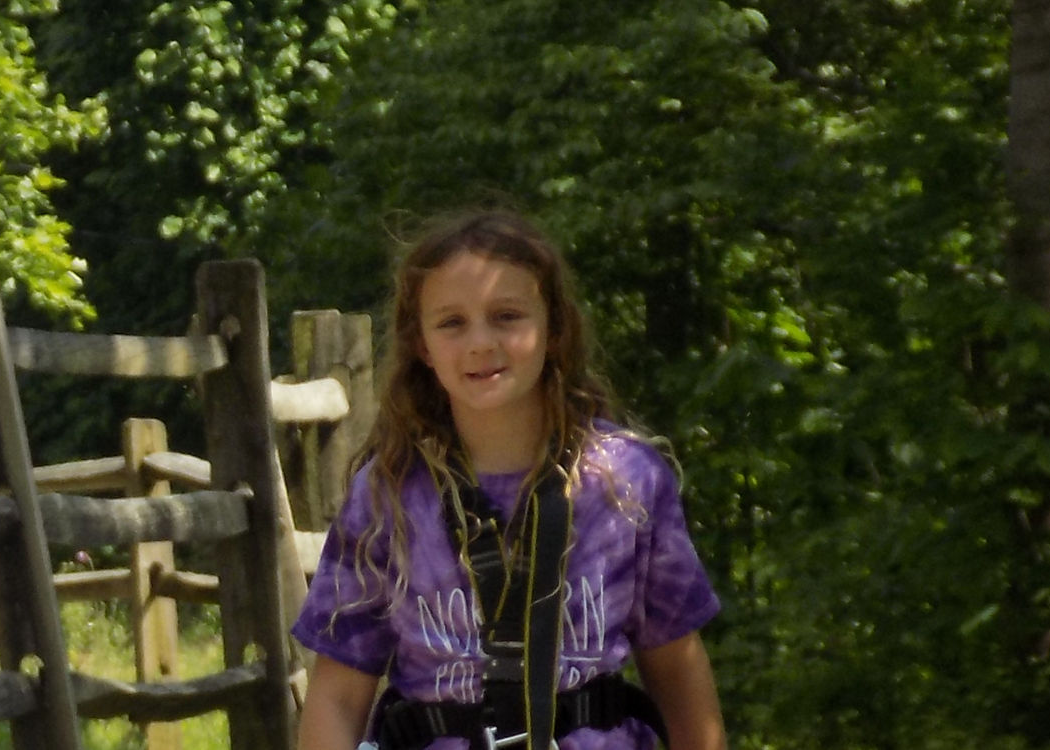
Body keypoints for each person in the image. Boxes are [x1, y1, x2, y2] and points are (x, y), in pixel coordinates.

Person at [292, 210, 727, 750]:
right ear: (422, 345)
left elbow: (678, 671)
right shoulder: (389, 495)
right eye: (452, 322)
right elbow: (338, 696)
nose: (480, 342)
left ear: (554, 329)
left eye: (506, 315)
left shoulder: (627, 480)